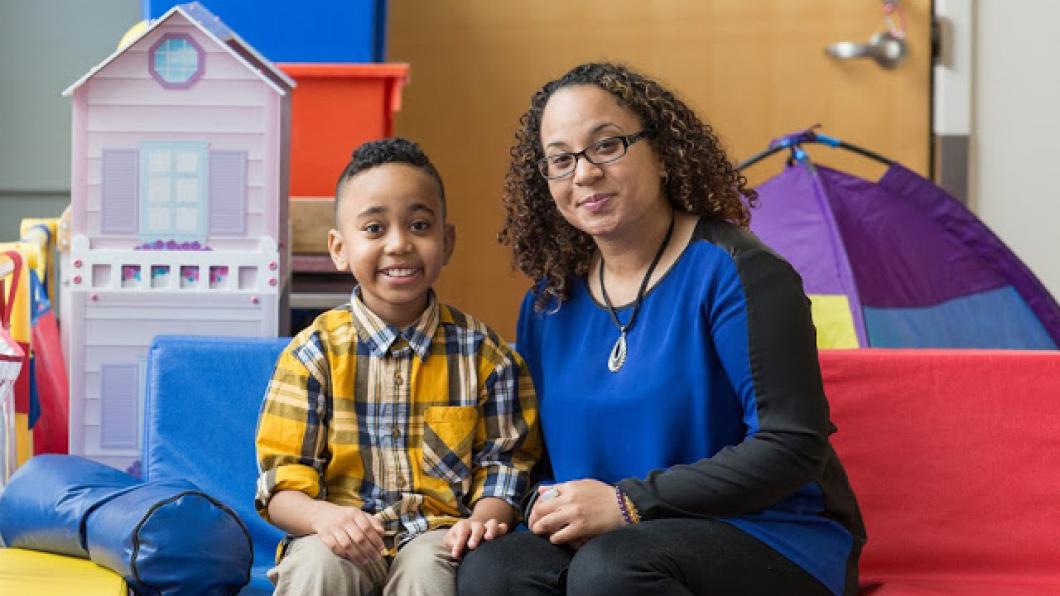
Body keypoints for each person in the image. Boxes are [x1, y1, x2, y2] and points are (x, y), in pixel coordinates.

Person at [457, 63, 866, 596]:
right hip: (612, 536)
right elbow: (538, 458)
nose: (583, 174)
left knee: (613, 571)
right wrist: (549, 507)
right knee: (495, 573)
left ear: (664, 154)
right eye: (561, 160)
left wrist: (626, 504)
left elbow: (790, 447)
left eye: (606, 146)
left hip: (767, 532)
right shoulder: (547, 303)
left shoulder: (741, 273)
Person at [254, 138, 541, 596]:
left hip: (437, 533)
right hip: (336, 534)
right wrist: (324, 517)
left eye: (419, 225)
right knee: (317, 570)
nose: (399, 244)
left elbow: (505, 468)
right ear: (339, 248)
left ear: (446, 242)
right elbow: (281, 485)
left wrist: (484, 520)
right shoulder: (312, 354)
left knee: (430, 572)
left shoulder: (486, 355)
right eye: (373, 228)